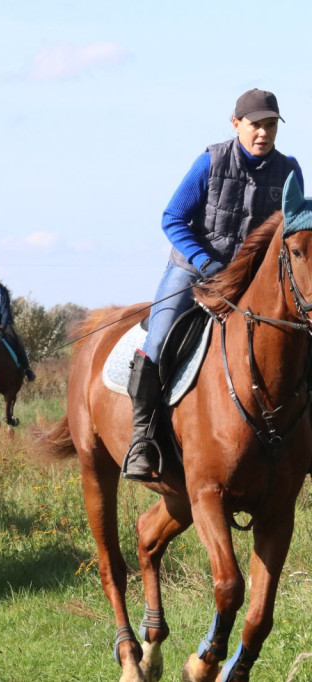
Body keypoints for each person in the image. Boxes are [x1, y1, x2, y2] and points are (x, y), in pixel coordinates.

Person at [121, 88, 303, 482]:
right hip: (193, 269)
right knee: (159, 338)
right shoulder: (210, 162)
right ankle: (143, 439)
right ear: (236, 124)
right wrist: (206, 262)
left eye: (270, 125)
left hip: (253, 278)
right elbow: (172, 218)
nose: (263, 133)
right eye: (256, 124)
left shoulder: (289, 171)